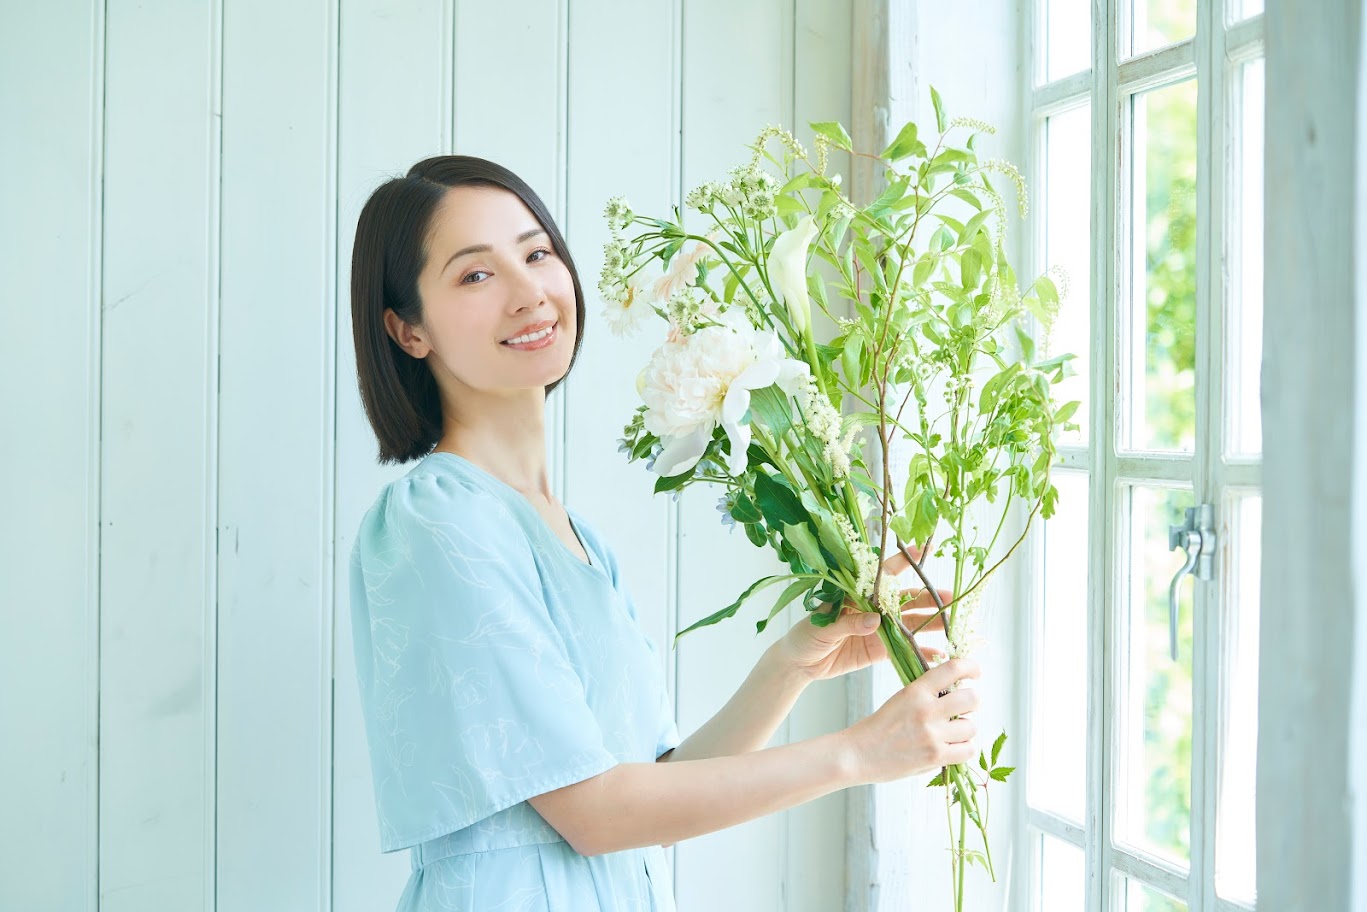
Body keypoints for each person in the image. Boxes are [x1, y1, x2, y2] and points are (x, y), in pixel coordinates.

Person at [347, 155, 983, 912]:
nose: (529, 293)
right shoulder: (436, 520)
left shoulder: (573, 536)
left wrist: (792, 666)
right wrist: (857, 754)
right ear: (407, 329)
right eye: (475, 275)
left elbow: (651, 791)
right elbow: (594, 814)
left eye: (537, 252)